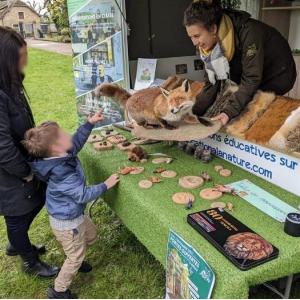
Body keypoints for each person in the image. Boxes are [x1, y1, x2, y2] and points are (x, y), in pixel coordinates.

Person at [22, 114, 120, 299]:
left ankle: (75, 256)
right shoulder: (62, 172)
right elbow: (83, 194)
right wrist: (105, 184)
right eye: (63, 134)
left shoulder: (59, 155)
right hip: (67, 222)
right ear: (56, 147)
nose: (68, 134)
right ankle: (58, 290)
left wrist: (89, 123)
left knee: (90, 236)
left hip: (72, 214)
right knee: (74, 256)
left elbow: (77, 141)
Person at [0, 27, 59, 277]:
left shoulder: (9, 82)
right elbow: (1, 146)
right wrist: (24, 172)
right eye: (21, 57)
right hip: (9, 170)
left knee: (37, 198)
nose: (26, 61)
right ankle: (29, 260)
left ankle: (17, 242)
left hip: (21, 161)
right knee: (17, 214)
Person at [184, 0, 297, 125]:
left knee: (257, 114)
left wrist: (228, 111)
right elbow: (212, 83)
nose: (194, 43)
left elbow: (251, 79)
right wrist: (191, 112)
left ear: (213, 28)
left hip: (279, 74)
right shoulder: (209, 46)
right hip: (251, 70)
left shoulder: (250, 33)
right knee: (241, 102)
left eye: (197, 36)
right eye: (191, 37)